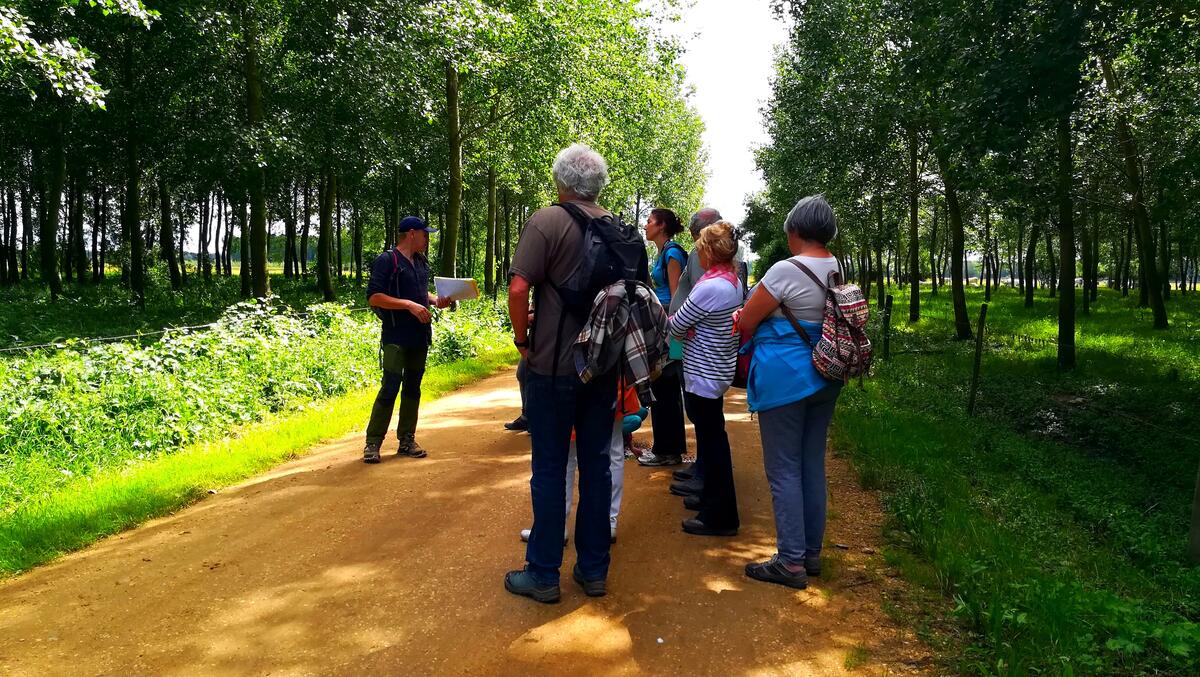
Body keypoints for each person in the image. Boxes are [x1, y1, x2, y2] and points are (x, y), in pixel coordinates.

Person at [503, 144, 621, 604]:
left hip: (552, 367)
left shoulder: (547, 221)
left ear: (562, 182)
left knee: (550, 469)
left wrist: (522, 340)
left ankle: (544, 573)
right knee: (597, 468)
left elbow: (518, 289)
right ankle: (593, 571)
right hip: (603, 368)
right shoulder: (617, 228)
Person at [733, 195, 843, 590]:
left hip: (786, 377)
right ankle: (810, 554)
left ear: (794, 230)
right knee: (811, 464)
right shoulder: (836, 266)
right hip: (827, 372)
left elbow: (747, 319)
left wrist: (740, 316)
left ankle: (790, 562)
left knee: (783, 468)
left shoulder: (786, 269)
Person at [667, 221, 744, 537]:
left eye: (701, 247)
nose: (698, 251)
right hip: (716, 368)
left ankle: (721, 515)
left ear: (711, 251)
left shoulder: (711, 287)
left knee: (713, 443)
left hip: (703, 372)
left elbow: (676, 325)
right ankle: (711, 498)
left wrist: (682, 325)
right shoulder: (731, 280)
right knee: (713, 437)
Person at [363, 216, 452, 463]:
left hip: (419, 336)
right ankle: (373, 443)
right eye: (425, 233)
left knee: (413, 388)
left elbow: (422, 294)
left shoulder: (421, 262)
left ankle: (407, 440)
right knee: (390, 387)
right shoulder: (387, 261)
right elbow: (374, 297)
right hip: (395, 336)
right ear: (411, 234)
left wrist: (436, 300)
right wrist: (408, 305)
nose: (428, 238)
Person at [518, 379, 643, 545]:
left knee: (566, 454)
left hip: (564, 376)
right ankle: (607, 523)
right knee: (612, 448)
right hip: (610, 373)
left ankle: (557, 527)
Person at [638, 208, 688, 467]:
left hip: (668, 328)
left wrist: (669, 335)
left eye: (649, 221)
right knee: (664, 387)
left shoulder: (672, 253)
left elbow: (677, 296)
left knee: (664, 387)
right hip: (663, 325)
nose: (645, 225)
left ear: (661, 225)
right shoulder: (664, 252)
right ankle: (668, 449)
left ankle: (667, 451)